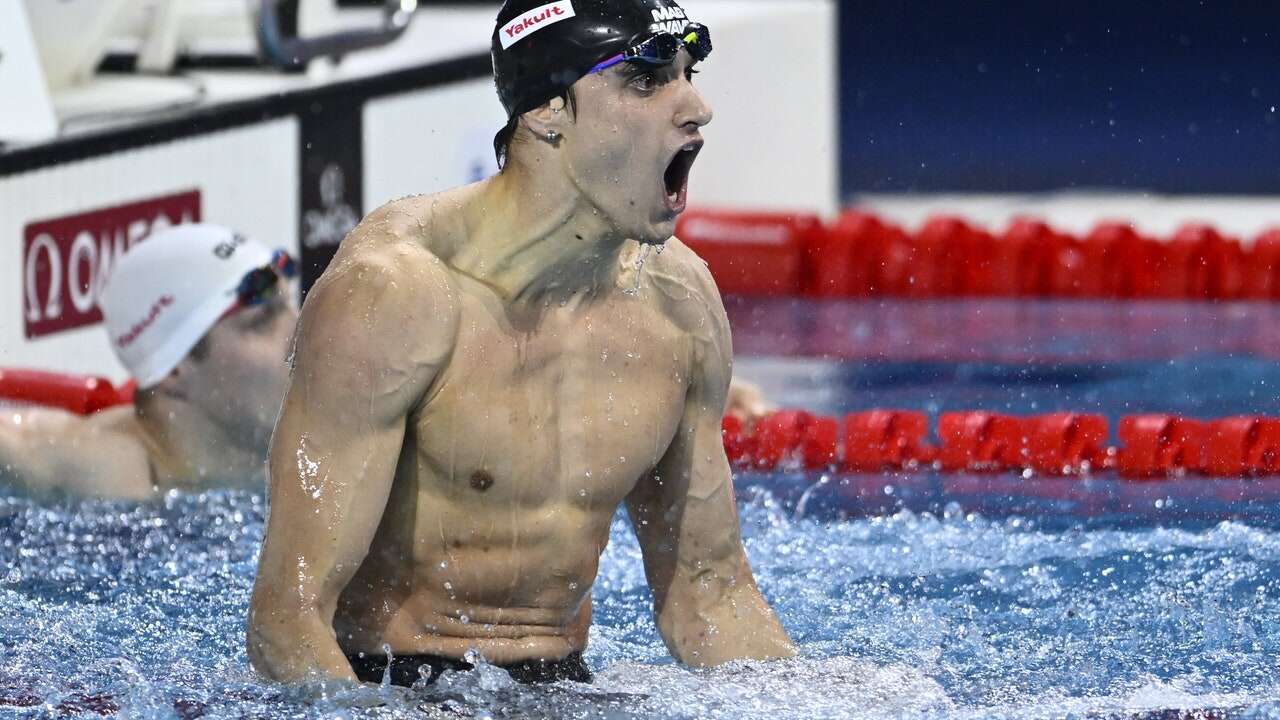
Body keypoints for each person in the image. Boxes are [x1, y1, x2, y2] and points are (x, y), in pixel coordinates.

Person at [247, 0, 796, 688]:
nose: (697, 106)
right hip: (390, 688)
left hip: (564, 687)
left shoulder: (678, 305)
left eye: (690, 72)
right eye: (647, 79)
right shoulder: (398, 294)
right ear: (546, 111)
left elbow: (709, 598)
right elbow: (286, 620)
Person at [0, 224, 299, 500]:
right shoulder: (111, 472)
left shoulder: (310, 456)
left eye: (291, 305)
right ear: (174, 371)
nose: (302, 331)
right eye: (262, 321)